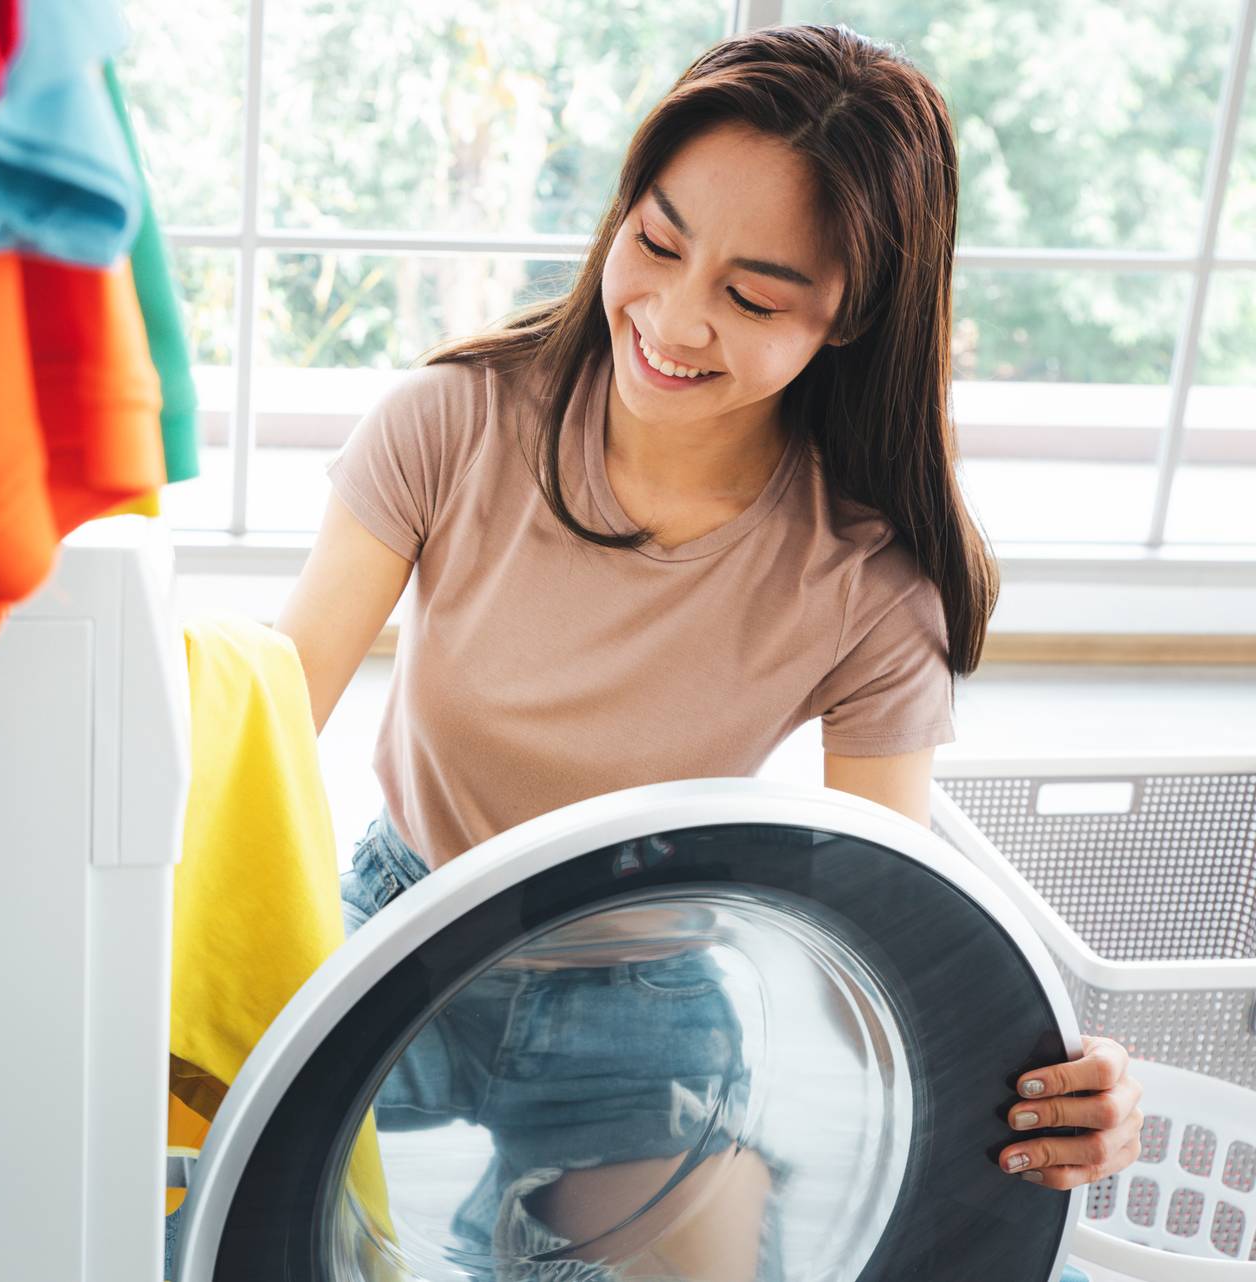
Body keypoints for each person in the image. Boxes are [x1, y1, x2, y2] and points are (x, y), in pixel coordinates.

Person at [275, 23, 1145, 1280]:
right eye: (657, 241)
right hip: (402, 914)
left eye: (752, 296)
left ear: (850, 317)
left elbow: (891, 915)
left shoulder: (866, 579)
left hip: (641, 996)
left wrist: (1061, 1087)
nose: (672, 320)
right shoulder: (450, 424)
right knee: (188, 1174)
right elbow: (267, 712)